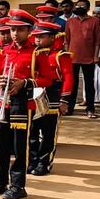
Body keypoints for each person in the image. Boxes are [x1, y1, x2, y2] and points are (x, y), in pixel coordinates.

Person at [0, 10, 53, 199]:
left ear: (29, 31)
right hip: (3, 102)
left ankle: (18, 185)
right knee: (1, 145)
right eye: (12, 29)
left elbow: (47, 79)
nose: (15, 33)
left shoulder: (37, 52)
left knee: (20, 145)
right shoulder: (2, 51)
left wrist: (24, 83)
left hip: (24, 104)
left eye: (20, 30)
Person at [30, 21, 73, 176]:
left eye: (42, 36)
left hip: (53, 93)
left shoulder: (61, 55)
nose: (37, 39)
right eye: (36, 36)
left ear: (52, 37)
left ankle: (44, 163)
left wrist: (64, 100)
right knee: (32, 130)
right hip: (34, 92)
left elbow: (68, 78)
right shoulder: (34, 53)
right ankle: (32, 160)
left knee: (48, 131)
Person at [65, 0, 100, 118]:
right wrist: (66, 55)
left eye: (82, 6)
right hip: (72, 58)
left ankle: (90, 109)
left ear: (88, 8)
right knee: (72, 84)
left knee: (89, 84)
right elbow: (67, 40)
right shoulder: (70, 21)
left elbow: (98, 40)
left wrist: (96, 56)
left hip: (89, 58)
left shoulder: (95, 21)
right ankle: (69, 108)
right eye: (77, 5)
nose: (79, 7)